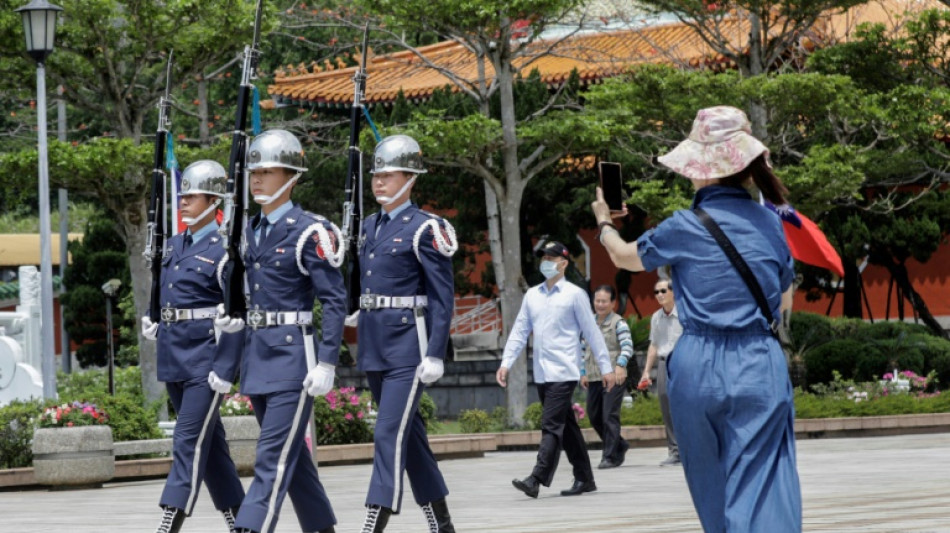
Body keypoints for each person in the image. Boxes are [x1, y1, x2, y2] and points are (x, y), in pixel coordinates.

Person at [591, 105, 800, 532]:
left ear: (701, 170)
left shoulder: (682, 226)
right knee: (761, 482)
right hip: (758, 360)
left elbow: (622, 256)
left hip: (697, 363)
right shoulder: (772, 223)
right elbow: (782, 300)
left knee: (711, 484)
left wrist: (603, 223)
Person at [230, 129, 346, 533]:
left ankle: (250, 528)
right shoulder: (246, 233)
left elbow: (334, 301)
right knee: (291, 460)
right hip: (257, 357)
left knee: (272, 457)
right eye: (253, 172)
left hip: (294, 358)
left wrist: (327, 361)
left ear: (291, 176)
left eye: (267, 171)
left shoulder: (310, 231)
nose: (257, 179)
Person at [355, 134, 458, 533]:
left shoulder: (427, 228)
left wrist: (435, 352)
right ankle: (441, 522)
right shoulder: (368, 226)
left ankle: (372, 522)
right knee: (408, 435)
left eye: (388, 175)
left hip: (409, 348)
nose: (379, 182)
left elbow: (441, 297)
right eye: (375, 175)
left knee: (386, 432)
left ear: (410, 178)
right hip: (375, 345)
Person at [140, 160, 245, 533]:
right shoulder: (171, 245)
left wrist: (226, 368)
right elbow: (164, 293)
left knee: (187, 440)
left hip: (205, 360)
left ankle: (169, 519)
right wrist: (155, 318)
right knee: (211, 446)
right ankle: (242, 522)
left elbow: (237, 315)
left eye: (192, 196)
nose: (183, 202)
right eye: (181, 195)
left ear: (215, 201)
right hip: (173, 356)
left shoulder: (224, 251)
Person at [497, 241, 617, 499]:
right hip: (542, 371)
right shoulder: (532, 295)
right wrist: (506, 362)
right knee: (568, 427)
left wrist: (606, 368)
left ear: (564, 263)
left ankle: (536, 478)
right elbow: (519, 332)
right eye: (544, 258)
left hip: (565, 370)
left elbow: (592, 332)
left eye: (552, 258)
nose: (546, 263)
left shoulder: (575, 294)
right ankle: (585, 478)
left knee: (550, 425)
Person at [579, 285, 633, 469]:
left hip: (613, 376)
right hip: (594, 377)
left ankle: (609, 456)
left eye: (604, 301)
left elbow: (627, 346)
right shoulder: (588, 322)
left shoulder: (619, 323)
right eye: (597, 301)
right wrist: (583, 372)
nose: (600, 304)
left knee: (609, 415)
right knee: (594, 416)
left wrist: (620, 365)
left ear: (612, 303)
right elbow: (582, 348)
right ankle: (620, 444)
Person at [637, 279, 683, 466]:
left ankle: (691, 449)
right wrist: (646, 372)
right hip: (664, 364)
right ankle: (674, 451)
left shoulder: (685, 313)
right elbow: (654, 345)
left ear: (673, 292)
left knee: (686, 405)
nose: (659, 295)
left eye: (663, 290)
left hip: (684, 362)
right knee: (666, 404)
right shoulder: (656, 317)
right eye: (656, 292)